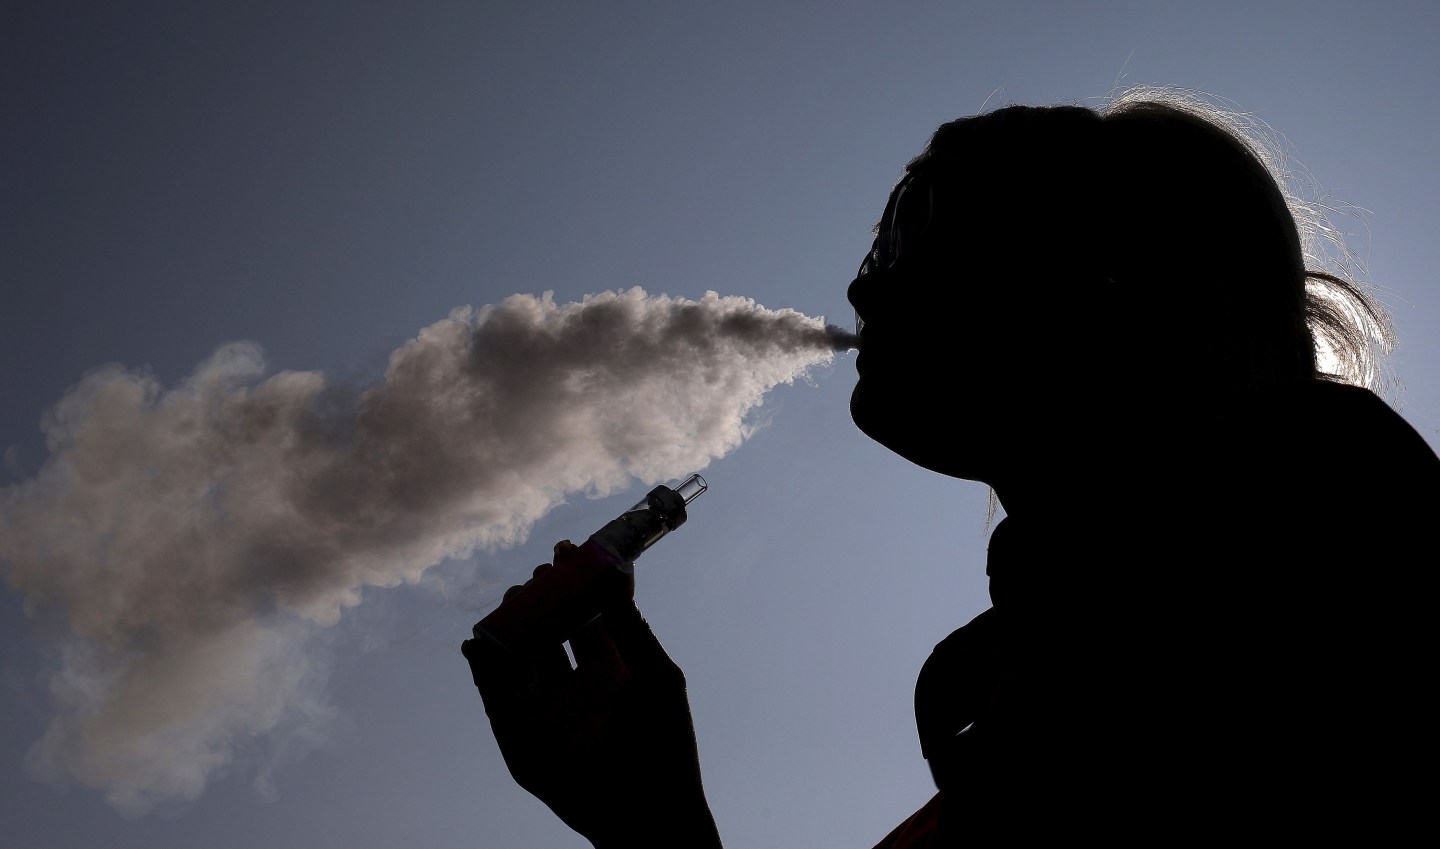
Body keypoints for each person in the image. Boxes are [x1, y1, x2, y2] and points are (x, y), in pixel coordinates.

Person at [462, 87, 1440, 846]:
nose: (861, 281)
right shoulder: (1037, 680)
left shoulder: (1333, 580)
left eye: (919, 221)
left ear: (1112, 292)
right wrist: (653, 823)